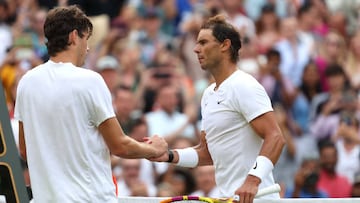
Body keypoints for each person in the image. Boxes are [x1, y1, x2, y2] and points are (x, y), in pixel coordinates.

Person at [14, 6, 167, 203]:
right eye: (86, 39)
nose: (87, 48)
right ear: (74, 36)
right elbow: (119, 146)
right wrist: (154, 149)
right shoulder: (90, 80)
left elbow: (26, 151)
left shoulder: (27, 82)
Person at [150, 14, 285, 203]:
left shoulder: (244, 85)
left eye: (204, 42)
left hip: (258, 199)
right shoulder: (208, 95)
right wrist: (169, 155)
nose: (196, 49)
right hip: (227, 198)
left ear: (224, 45)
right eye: (197, 43)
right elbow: (207, 154)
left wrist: (252, 181)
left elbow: (276, 137)